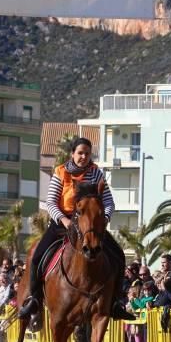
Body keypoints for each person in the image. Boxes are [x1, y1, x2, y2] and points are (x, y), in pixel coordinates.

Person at [18, 137, 129, 329]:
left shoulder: (96, 174)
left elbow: (109, 202)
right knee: (37, 257)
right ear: (72, 154)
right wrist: (65, 220)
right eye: (80, 153)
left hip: (91, 226)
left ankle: (116, 302)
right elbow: (51, 202)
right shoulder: (61, 172)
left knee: (118, 255)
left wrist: (104, 219)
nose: (83, 157)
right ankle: (34, 299)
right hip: (62, 224)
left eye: (87, 153)